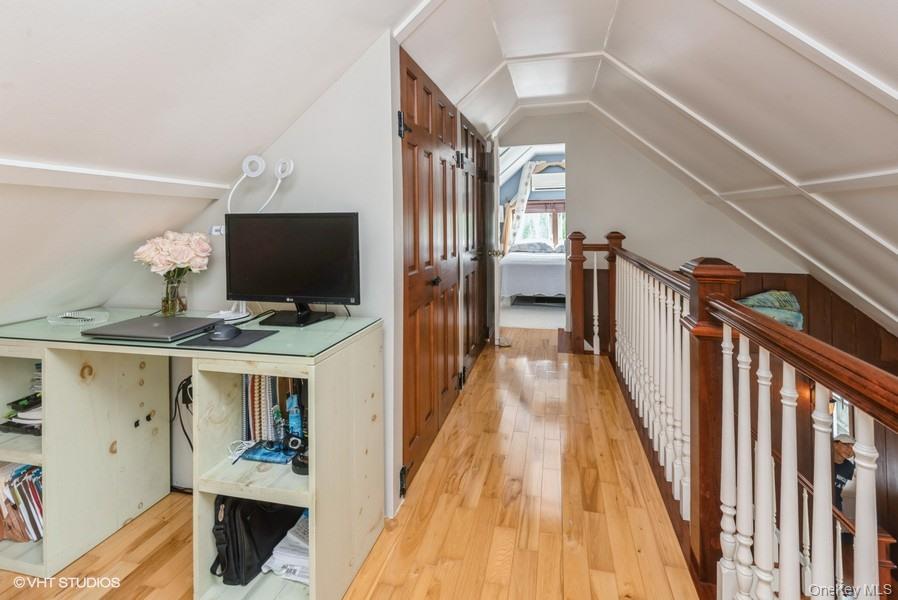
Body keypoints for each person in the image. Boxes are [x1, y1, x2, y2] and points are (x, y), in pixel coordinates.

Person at [832, 434, 856, 512]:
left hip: (837, 506)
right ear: (835, 445)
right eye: (846, 445)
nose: (850, 450)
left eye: (852, 447)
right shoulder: (825, 461)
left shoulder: (849, 467)